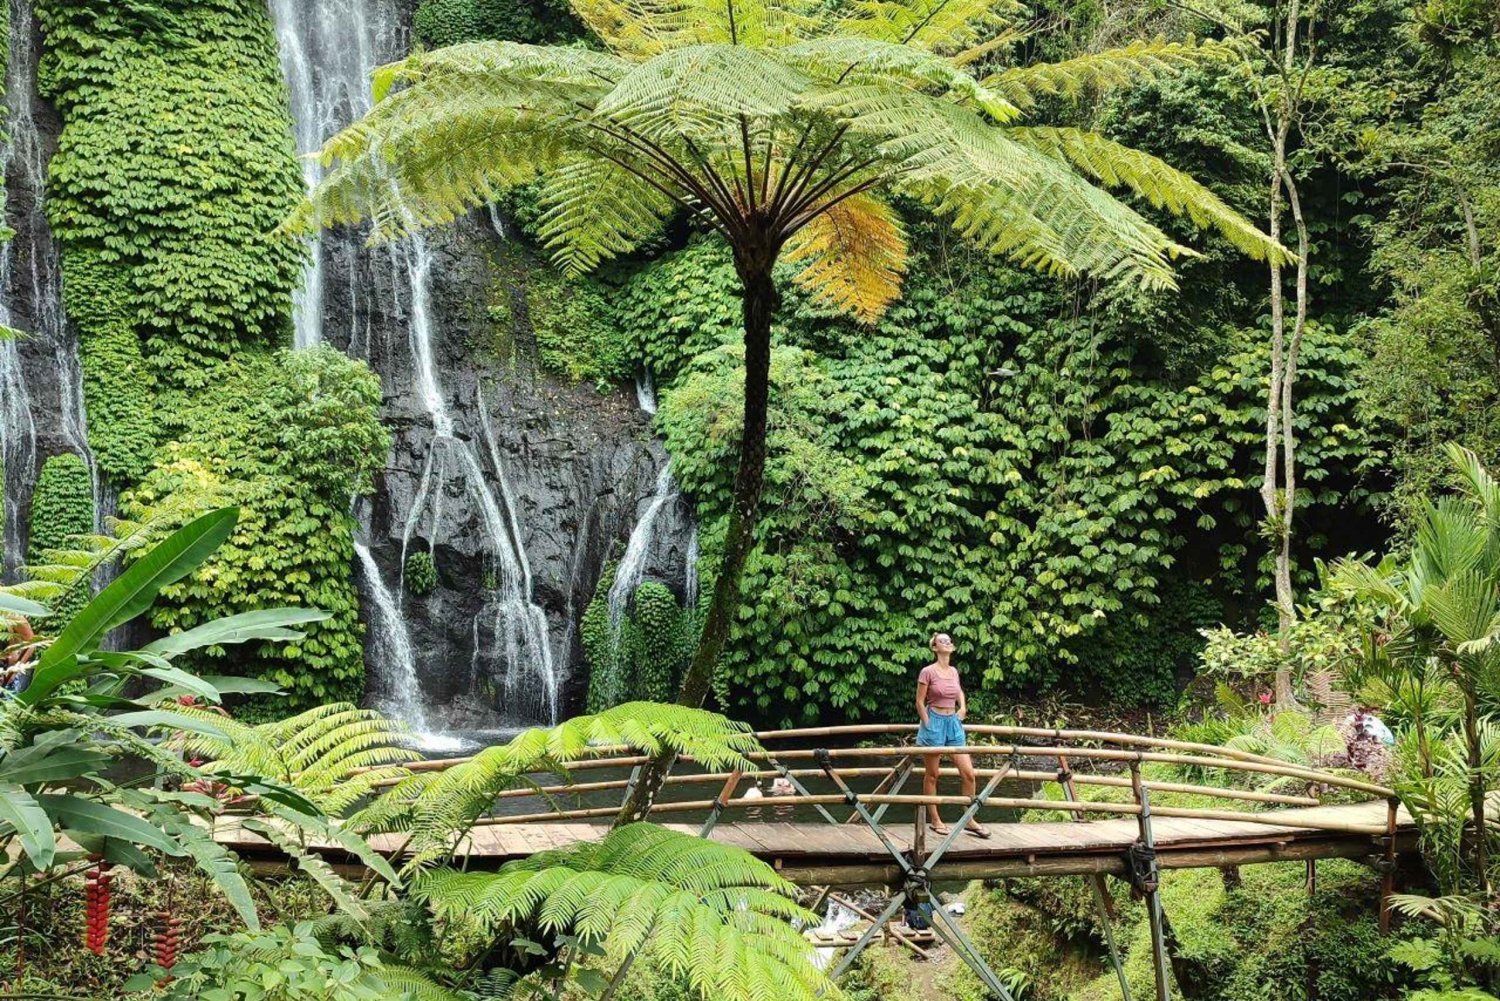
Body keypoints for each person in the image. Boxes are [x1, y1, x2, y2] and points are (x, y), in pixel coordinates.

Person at [915, 632, 989, 838]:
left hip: (953, 723)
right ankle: (935, 819)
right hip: (934, 721)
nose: (946, 643)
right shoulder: (927, 672)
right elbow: (920, 701)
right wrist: (927, 722)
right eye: (942, 641)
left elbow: (958, 691)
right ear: (934, 647)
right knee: (932, 774)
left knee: (968, 773)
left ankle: (969, 818)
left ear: (952, 647)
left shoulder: (954, 671)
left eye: (949, 641)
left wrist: (963, 707)